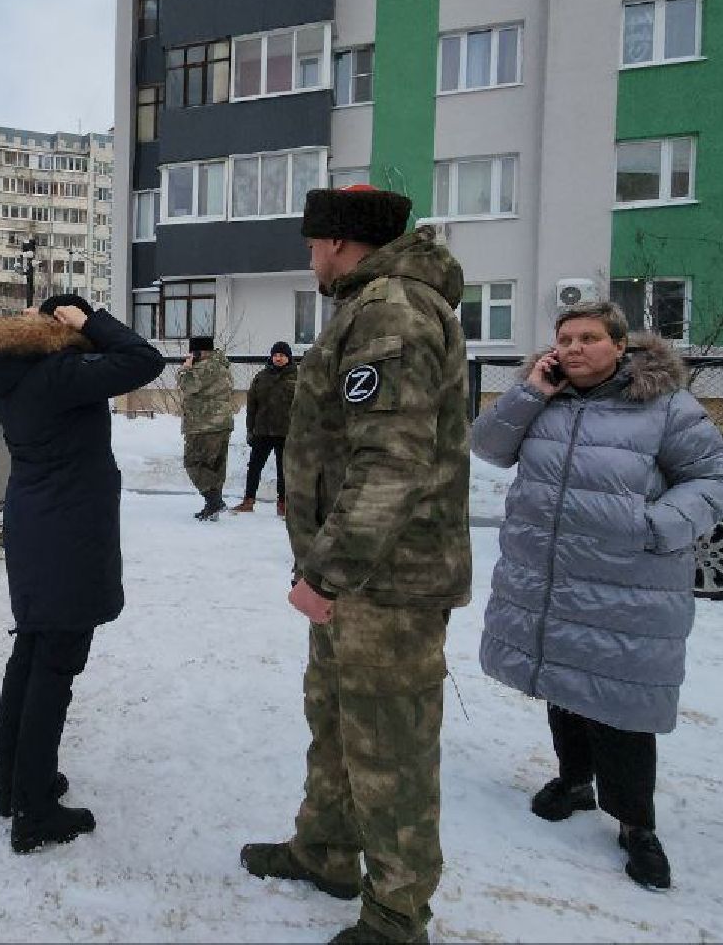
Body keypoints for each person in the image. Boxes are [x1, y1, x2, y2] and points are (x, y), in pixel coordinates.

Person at [239, 186, 472, 945]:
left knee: (387, 746)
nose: (309, 257)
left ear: (337, 242)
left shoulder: (391, 311)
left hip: (385, 581)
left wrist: (327, 573)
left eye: (312, 244)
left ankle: (396, 915)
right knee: (336, 721)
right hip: (357, 574)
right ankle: (328, 851)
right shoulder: (370, 305)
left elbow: (389, 462)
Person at [471, 301, 723, 891]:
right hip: (550, 574)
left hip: (625, 580)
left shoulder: (665, 406)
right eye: (564, 337)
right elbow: (488, 447)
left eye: (588, 337)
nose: (572, 348)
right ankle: (574, 782)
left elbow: (716, 479)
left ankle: (636, 824)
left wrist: (657, 526)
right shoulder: (546, 399)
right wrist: (530, 394)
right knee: (562, 680)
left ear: (621, 346)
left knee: (620, 702)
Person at [0, 292, 166, 853]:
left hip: (38, 524)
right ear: (67, 328)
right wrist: (92, 322)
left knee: (32, 653)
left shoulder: (15, 368)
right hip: (67, 532)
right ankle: (33, 811)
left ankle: (16, 783)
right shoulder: (59, 372)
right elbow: (145, 359)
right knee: (54, 664)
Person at [235, 340, 297, 515]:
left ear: (288, 358)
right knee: (254, 467)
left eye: (282, 355)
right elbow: (252, 406)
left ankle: (283, 504)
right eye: (276, 355)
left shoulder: (298, 377)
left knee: (283, 470)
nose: (278, 358)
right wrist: (250, 430)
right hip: (262, 431)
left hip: (286, 433)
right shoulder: (261, 377)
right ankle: (248, 501)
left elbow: (304, 407)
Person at [179, 334, 235, 520]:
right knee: (215, 467)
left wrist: (184, 368)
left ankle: (214, 501)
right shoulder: (222, 365)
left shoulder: (204, 367)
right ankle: (212, 506)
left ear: (197, 351)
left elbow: (187, 385)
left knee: (193, 463)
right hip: (222, 423)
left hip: (203, 424)